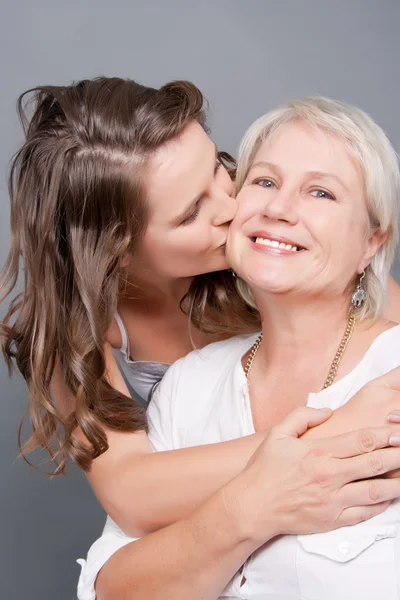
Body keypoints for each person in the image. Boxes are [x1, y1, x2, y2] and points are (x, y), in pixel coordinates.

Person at [1, 79, 400, 599]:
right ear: (116, 251)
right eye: (191, 213)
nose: (233, 205)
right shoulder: (79, 336)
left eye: (220, 168)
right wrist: (329, 433)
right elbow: (133, 494)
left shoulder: (276, 240)